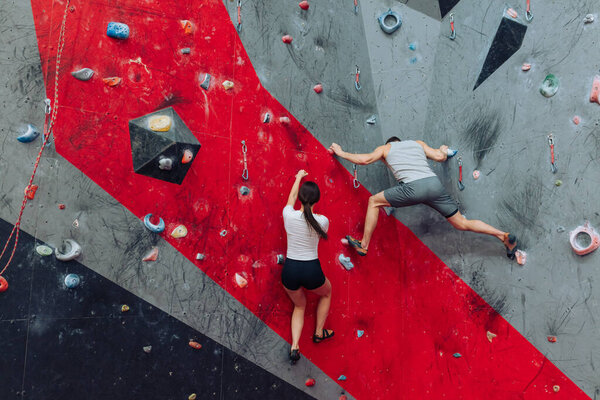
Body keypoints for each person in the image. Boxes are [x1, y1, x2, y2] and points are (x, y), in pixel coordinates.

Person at [329, 137, 518, 258]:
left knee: (373, 201)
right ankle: (503, 236)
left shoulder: (386, 149)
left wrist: (340, 152)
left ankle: (363, 245)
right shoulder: (417, 144)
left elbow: (365, 160)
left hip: (413, 188)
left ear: (390, 143)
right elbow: (439, 156)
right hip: (434, 185)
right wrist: (444, 149)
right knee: (461, 222)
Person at [281, 170, 334, 365]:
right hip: (311, 270)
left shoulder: (288, 215)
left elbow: (291, 198)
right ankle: (319, 332)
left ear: (301, 199)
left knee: (299, 305)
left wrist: (297, 178)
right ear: (317, 200)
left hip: (291, 270)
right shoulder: (323, 221)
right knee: (326, 293)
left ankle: (295, 345)